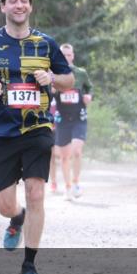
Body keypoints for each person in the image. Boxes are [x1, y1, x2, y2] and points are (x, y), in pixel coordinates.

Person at [0, 0, 73, 274]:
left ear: (30, 6)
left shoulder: (45, 43)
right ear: (3, 6)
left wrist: (52, 78)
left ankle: (29, 265)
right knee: (5, 204)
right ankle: (15, 218)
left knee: (36, 193)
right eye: (13, 0)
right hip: (2, 132)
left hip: (38, 128)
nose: (19, 5)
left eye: (24, 0)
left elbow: (68, 80)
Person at [53, 43, 93, 199]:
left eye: (69, 55)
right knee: (64, 157)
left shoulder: (81, 73)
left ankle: (76, 183)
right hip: (62, 119)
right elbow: (49, 93)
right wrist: (53, 90)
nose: (66, 58)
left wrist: (89, 96)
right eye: (63, 55)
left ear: (73, 56)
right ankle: (67, 187)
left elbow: (90, 87)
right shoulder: (54, 74)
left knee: (76, 151)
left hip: (79, 117)